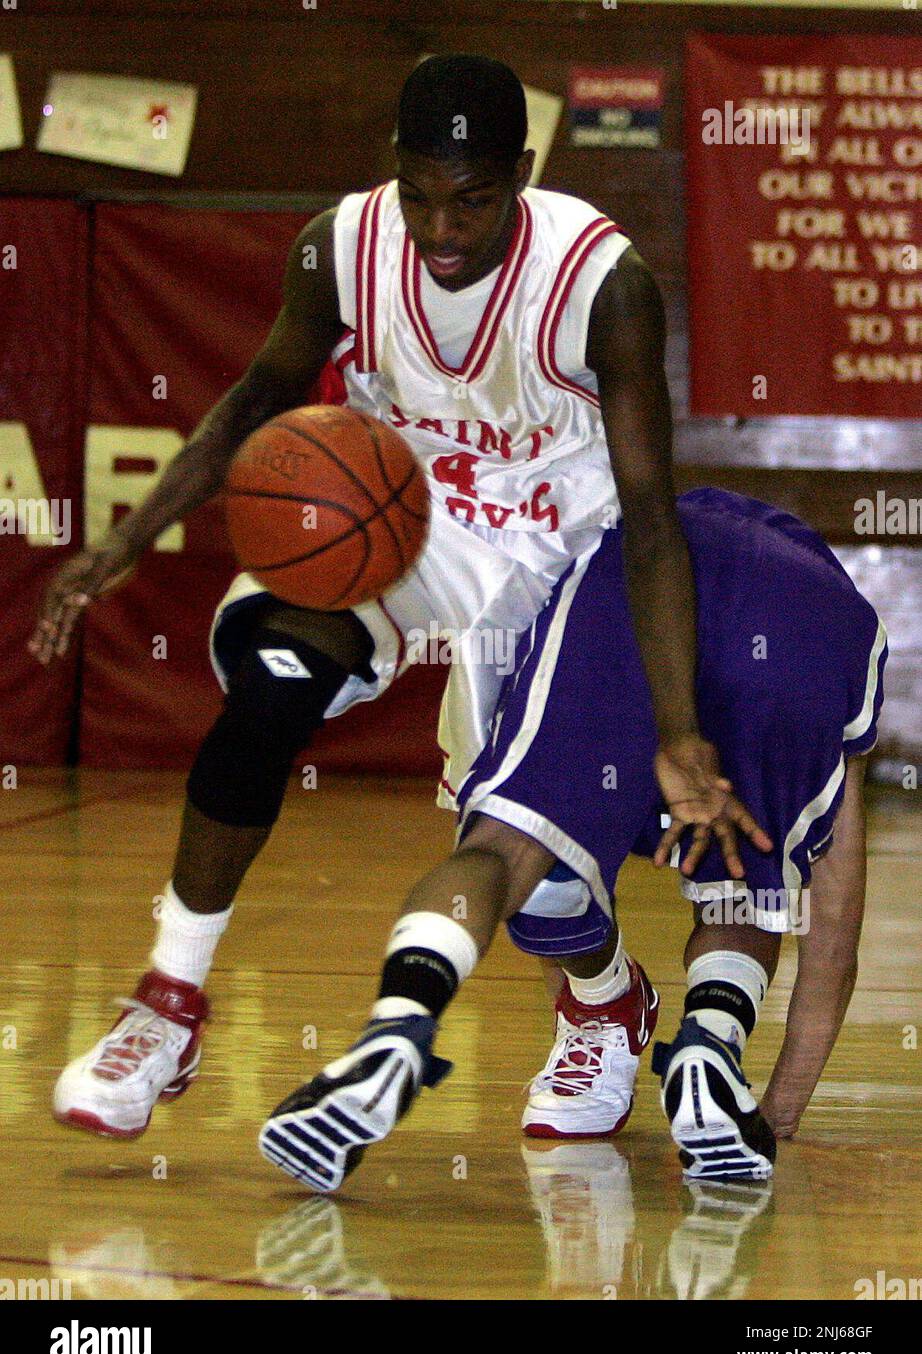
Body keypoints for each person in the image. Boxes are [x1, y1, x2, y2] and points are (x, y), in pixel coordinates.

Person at [33, 54, 750, 1139]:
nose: (441, 229)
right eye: (419, 194)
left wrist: (680, 724)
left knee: (512, 839)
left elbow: (652, 517)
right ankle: (168, 1002)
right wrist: (127, 538)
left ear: (521, 169)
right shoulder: (342, 246)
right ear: (393, 174)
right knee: (273, 681)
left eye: (471, 199)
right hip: (401, 514)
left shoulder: (605, 287)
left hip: (559, 549)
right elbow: (258, 395)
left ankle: (605, 1002)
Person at [258, 489, 886, 1190]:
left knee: (517, 847)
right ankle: (710, 1042)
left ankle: (405, 1019)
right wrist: (779, 1114)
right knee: (745, 884)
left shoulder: (589, 547)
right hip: (804, 629)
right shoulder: (830, 612)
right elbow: (834, 937)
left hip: (628, 579)